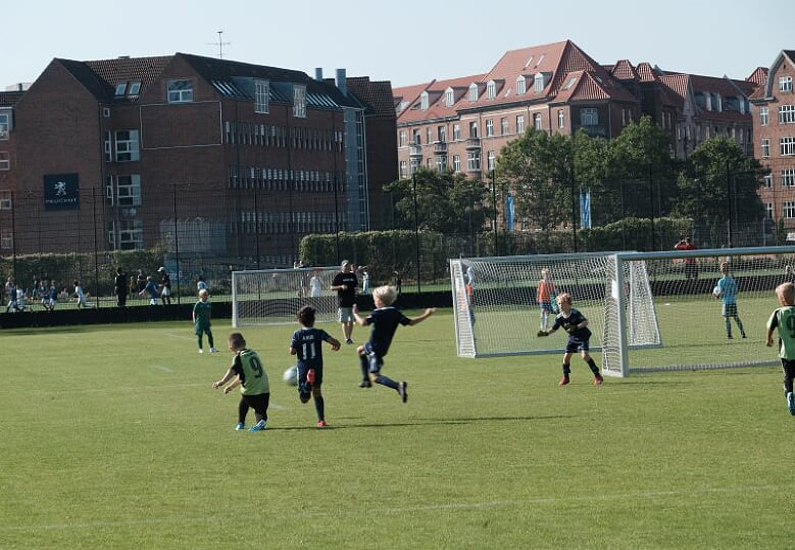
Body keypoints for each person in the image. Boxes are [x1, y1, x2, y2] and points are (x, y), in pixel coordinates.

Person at [352, 285, 436, 397]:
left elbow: (363, 323)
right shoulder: (395, 312)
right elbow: (410, 322)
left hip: (375, 348)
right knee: (360, 350)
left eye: (375, 299)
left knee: (376, 377)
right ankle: (366, 380)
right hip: (383, 346)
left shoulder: (377, 313)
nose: (374, 302)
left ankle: (397, 385)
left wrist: (355, 314)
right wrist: (426, 314)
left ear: (380, 301)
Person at [289, 305, 341, 427]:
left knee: (304, 399)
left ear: (299, 321)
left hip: (303, 367)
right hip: (317, 366)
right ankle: (321, 420)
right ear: (314, 319)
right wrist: (335, 346)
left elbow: (292, 351)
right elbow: (336, 343)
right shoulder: (319, 333)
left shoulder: (297, 334)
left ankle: (307, 383)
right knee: (317, 392)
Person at [538, 292, 604, 386]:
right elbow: (554, 329)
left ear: (568, 303)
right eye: (559, 303)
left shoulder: (575, 313)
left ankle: (598, 376)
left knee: (584, 356)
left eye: (562, 303)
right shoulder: (559, 317)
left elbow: (585, 322)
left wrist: (576, 327)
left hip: (583, 336)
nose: (560, 305)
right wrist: (545, 333)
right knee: (566, 358)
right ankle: (566, 378)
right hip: (573, 338)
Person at [211, 332, 270, 432]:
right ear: (245, 343)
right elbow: (244, 376)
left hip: (250, 393)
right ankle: (260, 421)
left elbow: (232, 371)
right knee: (260, 409)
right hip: (265, 389)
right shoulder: (253, 353)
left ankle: (241, 423)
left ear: (231, 348)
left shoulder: (239, 358)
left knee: (245, 402)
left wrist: (221, 382)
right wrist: (231, 386)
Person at [766, 282, 795, 416]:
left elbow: (770, 326)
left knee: (788, 377)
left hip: (786, 353)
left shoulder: (778, 312)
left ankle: (789, 394)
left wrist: (769, 339)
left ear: (782, 299)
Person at [714, 262, 746, 339]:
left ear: (721, 270)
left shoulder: (721, 281)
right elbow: (736, 292)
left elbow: (720, 293)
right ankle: (743, 333)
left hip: (726, 303)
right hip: (733, 302)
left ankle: (729, 334)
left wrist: (715, 295)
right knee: (736, 318)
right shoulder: (732, 280)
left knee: (726, 319)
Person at [330, 260, 358, 345]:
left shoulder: (352, 275)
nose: (347, 267)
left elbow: (356, 286)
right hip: (343, 302)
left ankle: (349, 337)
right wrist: (341, 286)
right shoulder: (339, 276)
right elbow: (332, 287)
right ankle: (347, 339)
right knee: (344, 321)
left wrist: (356, 292)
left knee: (352, 321)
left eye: (348, 266)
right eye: (345, 266)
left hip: (352, 302)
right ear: (342, 267)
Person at [193, 288, 217, 354]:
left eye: (206, 294)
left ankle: (211, 348)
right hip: (200, 322)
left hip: (206, 322)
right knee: (200, 335)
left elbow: (209, 313)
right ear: (201, 296)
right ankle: (201, 349)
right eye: (204, 295)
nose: (206, 296)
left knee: (210, 335)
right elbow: (194, 312)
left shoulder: (209, 304)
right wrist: (194, 320)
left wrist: (209, 320)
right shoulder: (198, 304)